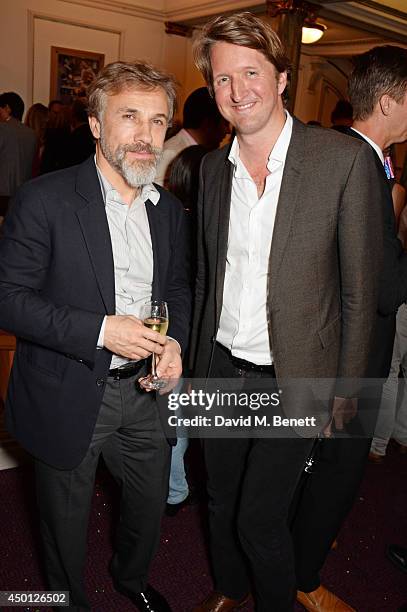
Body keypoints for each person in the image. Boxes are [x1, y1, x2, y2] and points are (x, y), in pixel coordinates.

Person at [189, 12, 383, 612]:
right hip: (220, 368)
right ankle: (229, 586)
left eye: (251, 72)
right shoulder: (210, 171)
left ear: (280, 78)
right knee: (219, 500)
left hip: (294, 377)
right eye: (223, 79)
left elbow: (359, 293)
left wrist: (344, 395)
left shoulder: (339, 161)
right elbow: (205, 279)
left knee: (260, 518)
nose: (237, 90)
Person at [0, 61, 191, 612]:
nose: (145, 135)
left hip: (146, 391)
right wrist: (102, 330)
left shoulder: (169, 213)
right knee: (63, 521)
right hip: (69, 386)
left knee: (148, 506)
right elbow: (8, 299)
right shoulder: (44, 200)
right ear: (95, 123)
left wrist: (171, 342)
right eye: (129, 116)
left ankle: (130, 580)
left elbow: (177, 289)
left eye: (157, 121)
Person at [292, 44, 407, 612]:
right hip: (353, 351)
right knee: (339, 466)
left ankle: (306, 536)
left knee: (318, 459)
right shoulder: (362, 163)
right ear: (387, 101)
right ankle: (305, 575)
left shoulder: (346, 153)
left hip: (328, 339)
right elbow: (386, 290)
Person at [165, 144, 208, 516]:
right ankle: (175, 489)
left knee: (175, 412)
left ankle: (174, 488)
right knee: (179, 416)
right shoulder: (201, 224)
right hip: (190, 332)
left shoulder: (166, 216)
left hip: (173, 329)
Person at [155, 87, 228, 186]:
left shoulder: (205, 155)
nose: (228, 131)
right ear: (208, 124)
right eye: (225, 123)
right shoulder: (171, 154)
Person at [0, 91, 37, 216]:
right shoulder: (31, 133)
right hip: (23, 190)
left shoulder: (2, 129)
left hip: (2, 190)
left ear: (7, 108)